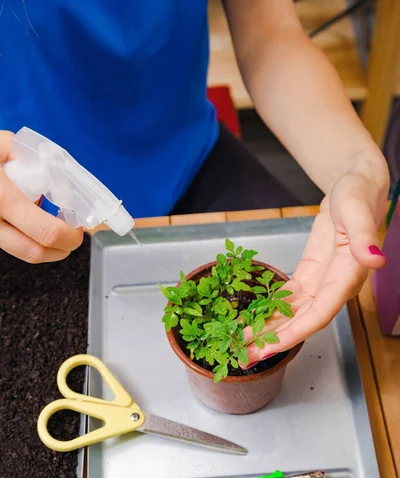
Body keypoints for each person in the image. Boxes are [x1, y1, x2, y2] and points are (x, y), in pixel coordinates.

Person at [0, 1, 389, 362]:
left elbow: (271, 35)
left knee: (344, 333)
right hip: (22, 210)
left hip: (187, 157)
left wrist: (355, 166)